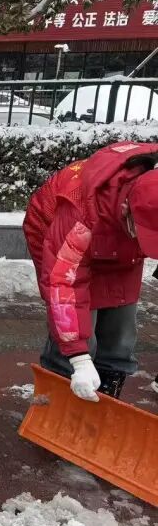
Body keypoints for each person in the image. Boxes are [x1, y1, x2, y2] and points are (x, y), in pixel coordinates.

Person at [23, 141, 158, 400]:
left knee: (120, 334)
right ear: (126, 209)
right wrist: (79, 358)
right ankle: (61, 390)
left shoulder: (147, 206)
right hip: (58, 237)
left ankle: (105, 396)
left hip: (119, 249)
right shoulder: (81, 211)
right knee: (77, 334)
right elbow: (63, 285)